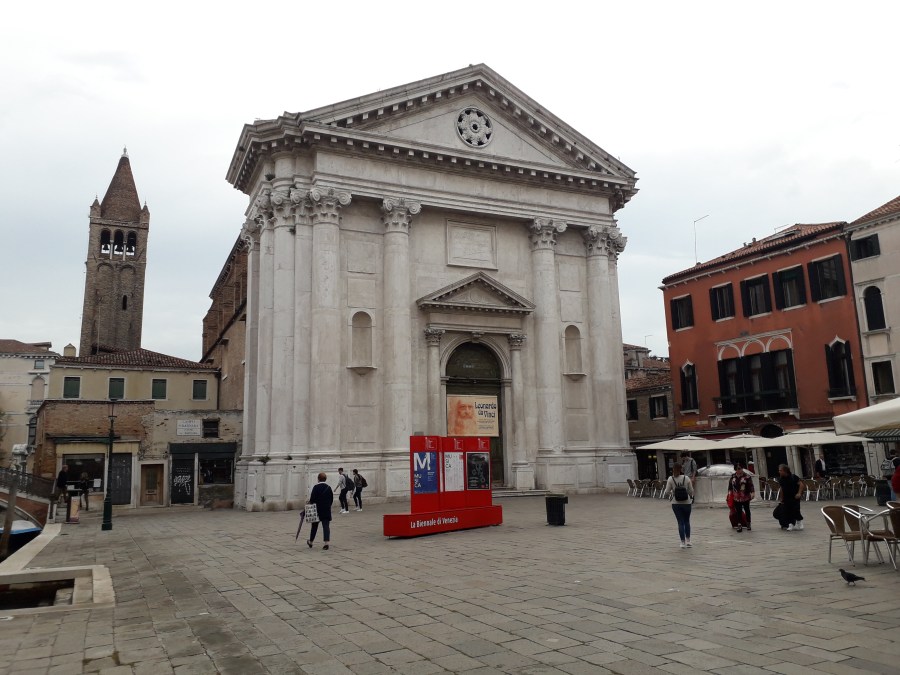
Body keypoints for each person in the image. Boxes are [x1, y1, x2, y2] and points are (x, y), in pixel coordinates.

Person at [662, 463, 694, 548]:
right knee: (687, 521)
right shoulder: (686, 478)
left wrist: (673, 493)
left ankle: (682, 542)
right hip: (687, 503)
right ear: (681, 469)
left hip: (676, 503)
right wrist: (688, 494)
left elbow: (667, 492)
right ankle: (688, 541)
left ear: (673, 469)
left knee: (680, 522)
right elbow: (691, 491)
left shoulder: (670, 479)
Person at [307, 472, 333, 549]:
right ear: (325, 479)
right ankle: (326, 543)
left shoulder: (316, 487)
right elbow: (331, 499)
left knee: (314, 527)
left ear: (318, 479)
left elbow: (312, 499)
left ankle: (311, 542)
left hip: (317, 510)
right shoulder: (328, 487)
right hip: (326, 510)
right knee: (326, 527)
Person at [776, 464, 805, 531]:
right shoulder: (781, 479)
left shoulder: (793, 477)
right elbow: (782, 489)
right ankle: (791, 524)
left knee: (796, 509)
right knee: (788, 511)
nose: (779, 472)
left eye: (780, 470)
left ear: (785, 471)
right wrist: (781, 498)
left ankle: (799, 521)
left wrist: (799, 493)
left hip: (795, 497)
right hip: (786, 497)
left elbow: (801, 485)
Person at [728, 462, 755, 532]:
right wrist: (729, 494)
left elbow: (751, 485)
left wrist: (752, 493)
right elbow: (730, 486)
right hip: (736, 497)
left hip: (745, 496)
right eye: (737, 469)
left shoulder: (747, 476)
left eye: (740, 468)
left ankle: (748, 523)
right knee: (738, 511)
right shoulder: (733, 477)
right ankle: (739, 524)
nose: (739, 470)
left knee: (747, 510)